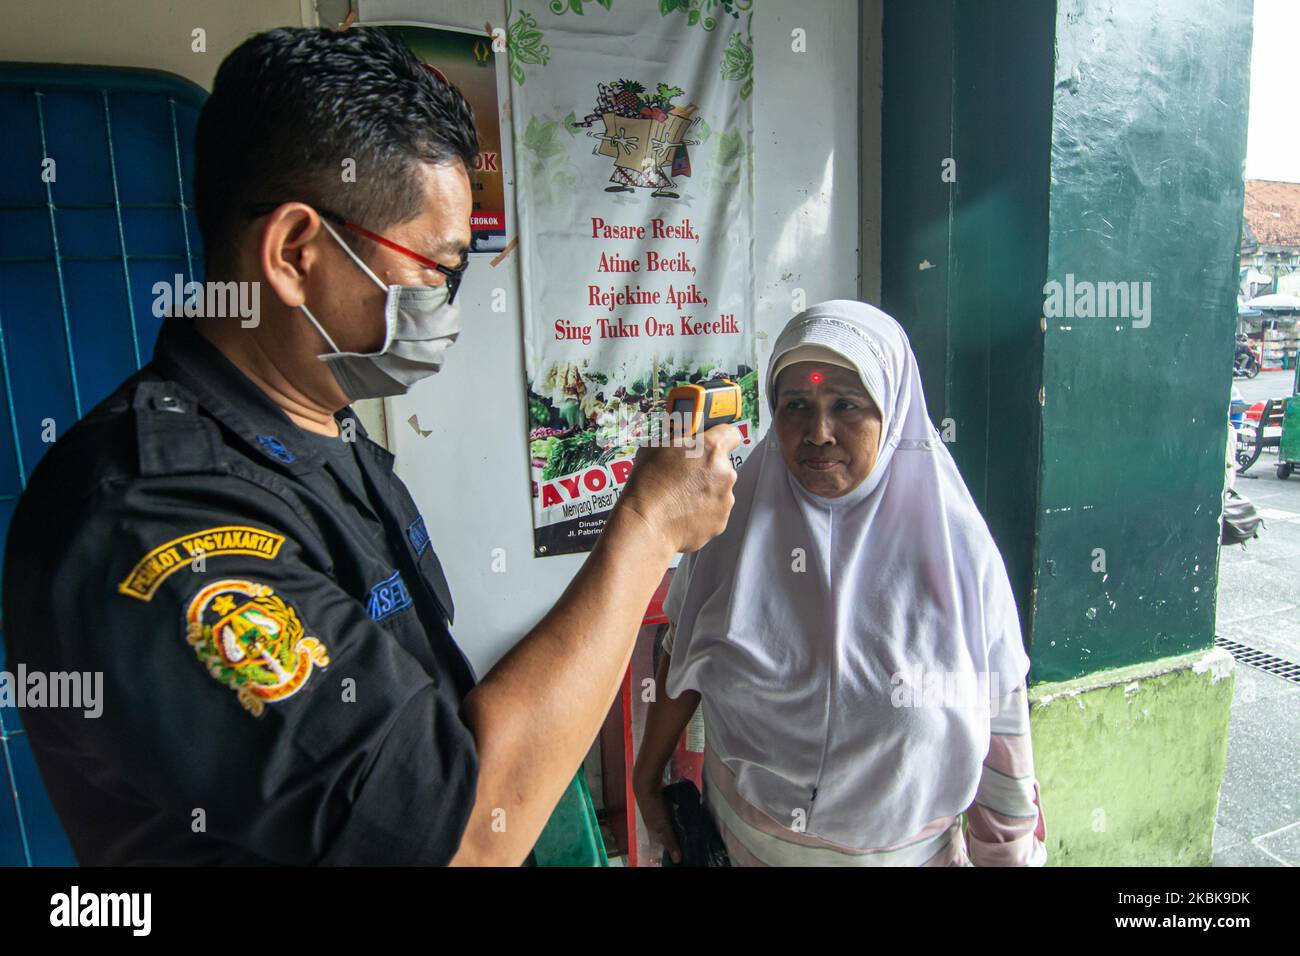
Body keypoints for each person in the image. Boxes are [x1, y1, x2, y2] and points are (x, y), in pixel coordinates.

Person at [1, 27, 739, 866]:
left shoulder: (320, 426)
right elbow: (459, 839)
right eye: (439, 269)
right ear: (294, 253)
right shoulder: (158, 524)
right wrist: (644, 531)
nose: (449, 305)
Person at [633, 300, 1047, 866]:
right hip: (748, 845)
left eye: (846, 404)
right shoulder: (734, 526)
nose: (818, 432)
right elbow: (684, 654)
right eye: (795, 404)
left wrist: (1008, 854)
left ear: (893, 411)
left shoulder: (956, 551)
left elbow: (1002, 715)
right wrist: (645, 777)